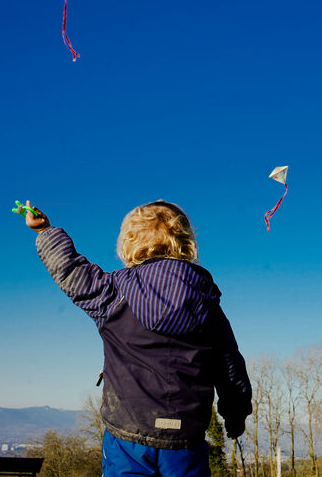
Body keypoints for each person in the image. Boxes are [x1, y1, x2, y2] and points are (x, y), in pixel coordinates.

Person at [21, 199, 252, 477]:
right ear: (185, 242)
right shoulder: (206, 302)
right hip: (185, 438)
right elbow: (229, 366)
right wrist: (235, 414)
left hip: (128, 435)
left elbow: (70, 270)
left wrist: (45, 231)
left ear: (128, 244)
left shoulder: (112, 294)